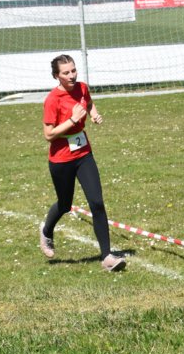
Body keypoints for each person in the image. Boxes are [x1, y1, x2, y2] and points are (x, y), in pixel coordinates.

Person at [39, 54, 126, 272]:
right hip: (61, 159)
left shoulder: (83, 88)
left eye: (73, 70)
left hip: (83, 154)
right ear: (56, 76)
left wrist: (94, 114)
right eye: (65, 73)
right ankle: (46, 230)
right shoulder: (52, 100)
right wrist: (72, 120)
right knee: (65, 204)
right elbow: (49, 135)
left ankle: (107, 257)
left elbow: (89, 103)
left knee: (97, 202)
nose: (71, 76)